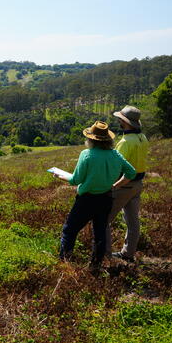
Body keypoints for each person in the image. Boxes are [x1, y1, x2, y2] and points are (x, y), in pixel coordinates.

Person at [54, 121, 136, 272]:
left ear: (91, 139)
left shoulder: (86, 154)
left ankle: (64, 263)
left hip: (86, 200)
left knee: (69, 230)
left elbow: (75, 180)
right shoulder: (115, 154)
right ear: (108, 140)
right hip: (106, 199)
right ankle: (95, 265)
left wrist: (59, 175)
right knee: (99, 232)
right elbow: (131, 173)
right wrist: (115, 185)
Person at [105, 106, 149, 262]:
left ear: (125, 122)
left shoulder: (125, 142)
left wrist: (112, 185)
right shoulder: (142, 138)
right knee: (132, 221)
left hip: (124, 185)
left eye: (120, 119)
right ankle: (128, 254)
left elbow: (116, 166)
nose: (118, 120)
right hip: (138, 184)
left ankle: (106, 256)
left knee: (104, 220)